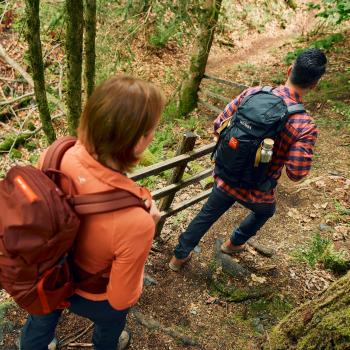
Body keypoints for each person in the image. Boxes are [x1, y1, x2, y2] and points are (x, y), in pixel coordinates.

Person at [20, 76, 165, 350]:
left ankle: (36, 343)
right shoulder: (136, 220)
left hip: (48, 275)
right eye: (151, 131)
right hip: (90, 296)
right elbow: (122, 298)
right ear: (137, 143)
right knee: (114, 319)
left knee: (40, 321)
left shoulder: (55, 154)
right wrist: (148, 231)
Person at [169, 48, 327, 271]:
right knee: (266, 211)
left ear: (289, 70)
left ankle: (178, 258)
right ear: (314, 84)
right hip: (257, 190)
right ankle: (234, 243)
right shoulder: (304, 125)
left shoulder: (253, 93)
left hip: (225, 176)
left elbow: (218, 126)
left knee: (207, 214)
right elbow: (296, 174)